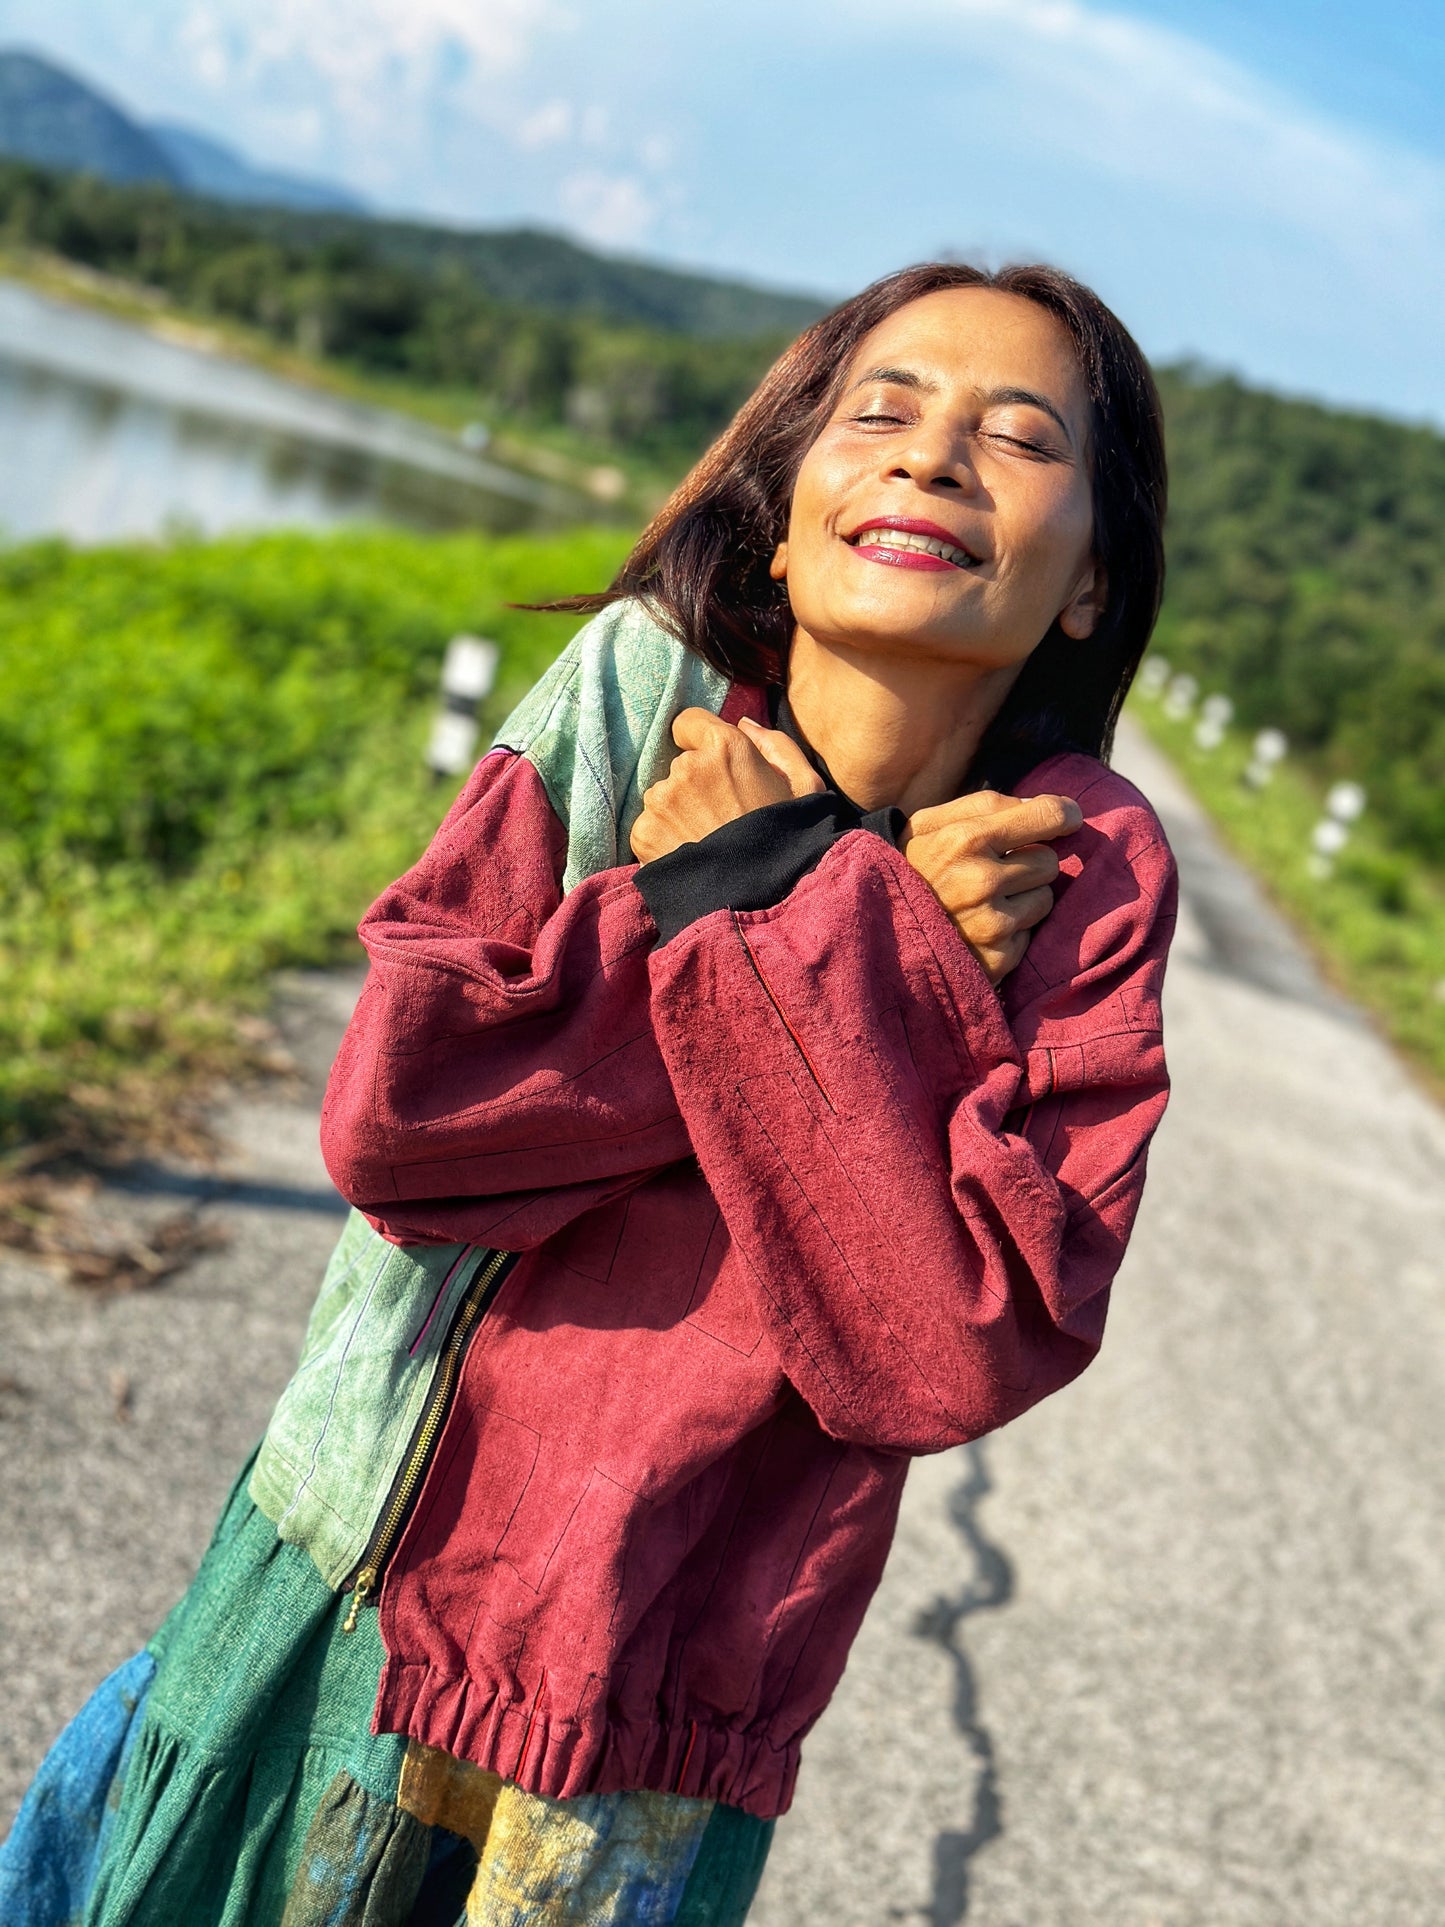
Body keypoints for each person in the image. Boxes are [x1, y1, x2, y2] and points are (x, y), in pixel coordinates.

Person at [1, 260, 1176, 1926]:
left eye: (1017, 437)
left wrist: (803, 914)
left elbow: (948, 1339)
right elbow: (408, 1121)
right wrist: (802, 906)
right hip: (357, 1587)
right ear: (779, 520)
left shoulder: (1079, 871)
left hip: (664, 1716)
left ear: (1087, 583)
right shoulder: (644, 694)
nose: (930, 459)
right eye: (884, 412)